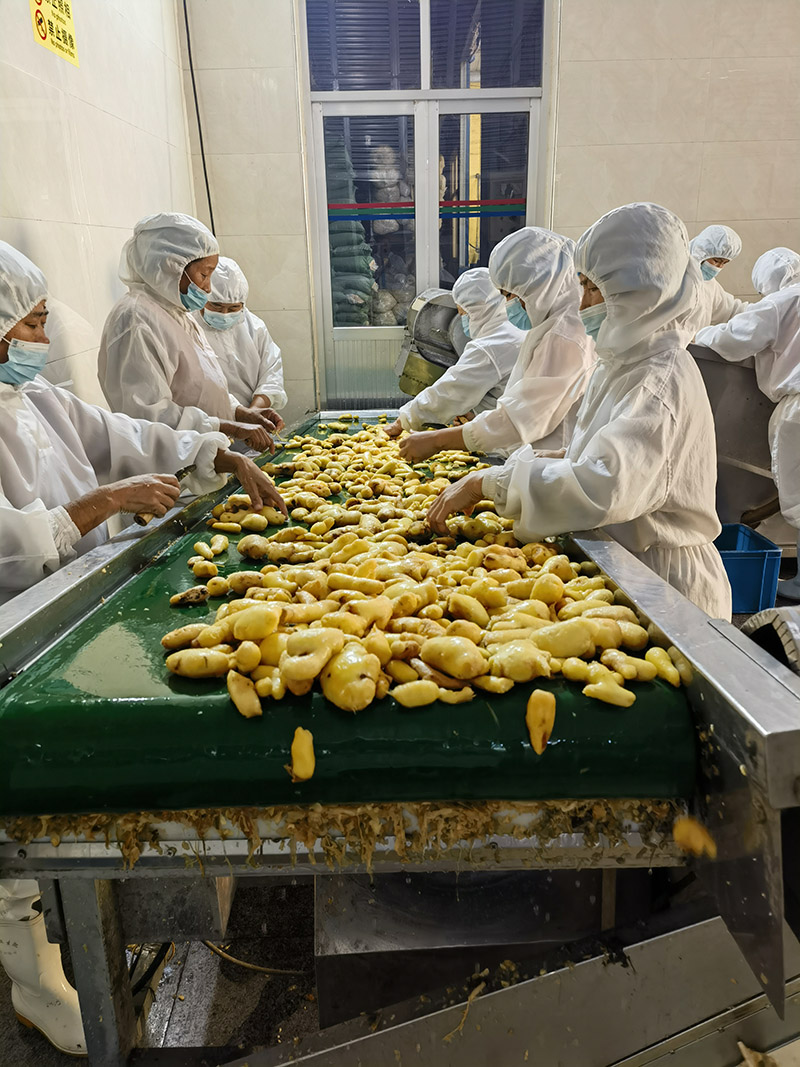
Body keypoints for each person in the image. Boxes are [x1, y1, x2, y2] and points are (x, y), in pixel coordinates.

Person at [0, 241, 288, 1055]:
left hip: (67, 612)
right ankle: (35, 980)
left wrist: (211, 451)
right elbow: (11, 544)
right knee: (17, 825)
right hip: (12, 633)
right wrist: (98, 505)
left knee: (64, 802)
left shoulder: (37, 400)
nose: (43, 336)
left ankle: (84, 930)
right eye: (31, 323)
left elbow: (124, 431)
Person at [428, 203, 732, 620]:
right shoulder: (623, 363)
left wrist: (490, 482)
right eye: (582, 284)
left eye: (594, 288)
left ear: (642, 291)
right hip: (625, 564)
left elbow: (603, 487)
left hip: (664, 586)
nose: (583, 302)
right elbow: (593, 455)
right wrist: (532, 466)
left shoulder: (658, 380)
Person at [393, 228, 594, 464]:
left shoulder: (564, 336)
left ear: (541, 287)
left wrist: (437, 440)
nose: (509, 304)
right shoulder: (549, 325)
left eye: (510, 295)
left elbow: (520, 419)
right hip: (534, 456)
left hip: (548, 461)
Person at [98, 213, 276, 451]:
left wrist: (240, 413)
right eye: (204, 274)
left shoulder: (175, 314)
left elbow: (200, 389)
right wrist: (230, 428)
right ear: (171, 266)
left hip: (202, 456)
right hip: (175, 464)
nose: (208, 288)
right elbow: (150, 419)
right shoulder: (136, 321)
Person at [696, 247, 800, 599]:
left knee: (799, 496)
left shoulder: (781, 302)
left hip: (797, 405)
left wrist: (696, 336)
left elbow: (734, 339)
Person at [384, 267, 524, 437]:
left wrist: (403, 420)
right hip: (513, 427)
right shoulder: (513, 329)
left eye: (462, 312)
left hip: (510, 440)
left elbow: (451, 392)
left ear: (475, 309)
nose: (463, 318)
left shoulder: (490, 345)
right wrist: (477, 416)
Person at [195, 256, 287, 430]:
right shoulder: (188, 326)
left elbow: (271, 374)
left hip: (255, 423)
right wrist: (239, 419)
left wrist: (252, 414)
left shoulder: (255, 327)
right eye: (216, 306)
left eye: (233, 308)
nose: (224, 314)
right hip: (209, 426)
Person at [685, 224, 749, 332]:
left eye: (724, 263)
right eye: (717, 261)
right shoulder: (678, 276)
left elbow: (730, 310)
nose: (719, 267)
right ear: (701, 252)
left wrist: (758, 311)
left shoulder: (710, 285)